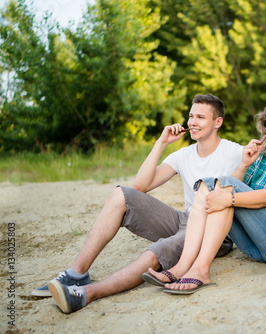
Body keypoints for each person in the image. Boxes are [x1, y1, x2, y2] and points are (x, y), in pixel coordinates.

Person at [34, 94, 244, 313]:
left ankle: (87, 294)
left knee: (158, 250)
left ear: (217, 122)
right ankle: (77, 274)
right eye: (191, 116)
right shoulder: (183, 154)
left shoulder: (235, 152)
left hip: (215, 233)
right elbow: (141, 186)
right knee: (121, 195)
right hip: (185, 220)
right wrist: (161, 143)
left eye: (200, 117)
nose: (192, 122)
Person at [144, 95, 266, 294]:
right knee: (214, 187)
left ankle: (200, 270)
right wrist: (244, 164)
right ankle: (183, 266)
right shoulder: (263, 157)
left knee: (222, 189)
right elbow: (231, 186)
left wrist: (230, 199)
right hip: (253, 247)